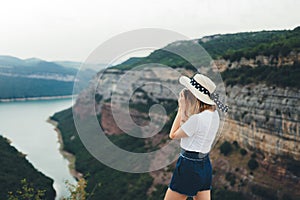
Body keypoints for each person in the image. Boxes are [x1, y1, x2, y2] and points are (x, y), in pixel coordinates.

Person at [164, 73, 228, 200]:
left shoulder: (196, 119)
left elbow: (173, 134)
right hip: (205, 165)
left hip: (188, 164)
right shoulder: (215, 115)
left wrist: (181, 109)